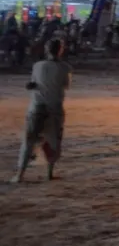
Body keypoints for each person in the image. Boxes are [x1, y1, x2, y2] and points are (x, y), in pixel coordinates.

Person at [12, 38, 69, 183]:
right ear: (60, 50)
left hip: (37, 106)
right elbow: (64, 85)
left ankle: (20, 174)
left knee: (29, 140)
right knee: (54, 141)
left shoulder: (38, 66)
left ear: (46, 49)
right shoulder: (65, 68)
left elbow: (34, 83)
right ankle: (49, 173)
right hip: (54, 107)